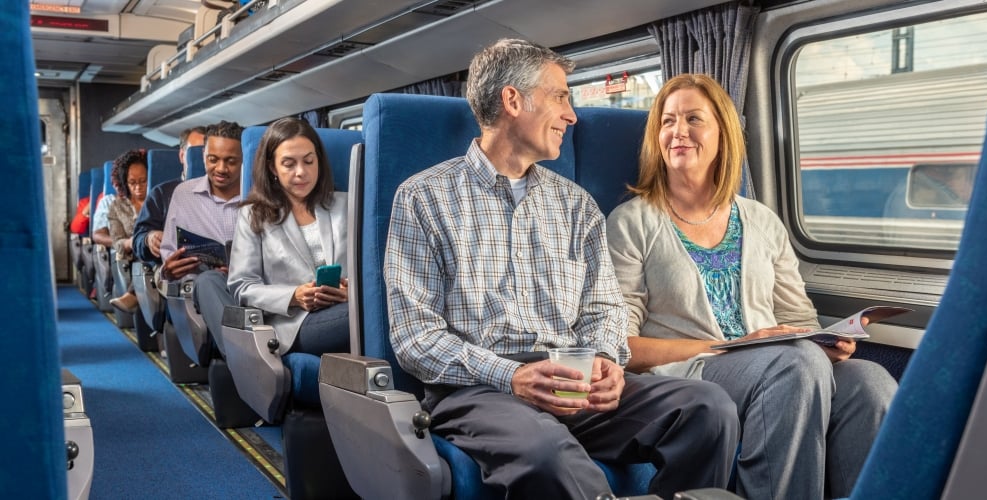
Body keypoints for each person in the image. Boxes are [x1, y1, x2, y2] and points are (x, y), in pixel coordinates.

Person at [384, 39, 739, 499]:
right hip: (479, 392)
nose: (572, 115)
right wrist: (509, 376)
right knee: (545, 450)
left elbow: (604, 308)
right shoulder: (423, 198)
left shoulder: (576, 205)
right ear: (513, 101)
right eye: (561, 96)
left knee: (708, 408)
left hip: (573, 382)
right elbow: (415, 338)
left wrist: (608, 362)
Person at [605, 73, 898, 500]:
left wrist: (828, 342)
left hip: (784, 367)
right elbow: (622, 347)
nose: (678, 132)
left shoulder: (762, 220)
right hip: (690, 374)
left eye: (693, 119)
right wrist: (739, 347)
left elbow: (798, 321)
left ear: (723, 134)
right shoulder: (632, 223)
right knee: (795, 365)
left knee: (870, 381)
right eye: (667, 121)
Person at [228, 117, 350, 361]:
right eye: (289, 164)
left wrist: (352, 293)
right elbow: (242, 286)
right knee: (372, 315)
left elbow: (374, 271)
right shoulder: (254, 214)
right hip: (296, 323)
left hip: (346, 307)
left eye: (308, 161)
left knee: (366, 310)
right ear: (273, 167)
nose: (301, 172)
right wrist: (294, 296)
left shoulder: (348, 204)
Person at [160, 120, 243, 355]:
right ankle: (241, 357)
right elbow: (168, 254)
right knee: (208, 281)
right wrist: (169, 269)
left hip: (250, 283)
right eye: (213, 159)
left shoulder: (258, 196)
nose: (221, 168)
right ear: (204, 156)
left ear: (244, 160)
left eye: (231, 161)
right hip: (203, 286)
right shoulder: (184, 194)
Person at [133, 126, 206, 265]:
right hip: (173, 269)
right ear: (182, 156)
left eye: (206, 154)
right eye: (194, 153)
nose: (201, 160)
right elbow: (138, 240)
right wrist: (149, 239)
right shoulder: (160, 194)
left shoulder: (225, 193)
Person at [107, 149, 148, 313]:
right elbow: (117, 242)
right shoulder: (117, 207)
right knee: (142, 245)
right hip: (134, 257)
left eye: (143, 181)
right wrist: (130, 242)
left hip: (160, 250)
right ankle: (133, 293)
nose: (138, 187)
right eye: (132, 183)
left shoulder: (159, 199)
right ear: (125, 183)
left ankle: (132, 295)